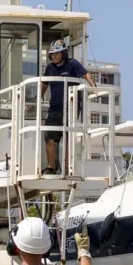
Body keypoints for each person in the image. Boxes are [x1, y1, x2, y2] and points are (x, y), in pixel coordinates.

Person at [41, 40, 95, 175]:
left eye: (56, 53)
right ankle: (51, 167)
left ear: (63, 53)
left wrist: (94, 89)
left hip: (71, 107)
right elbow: (44, 84)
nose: (54, 56)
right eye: (52, 54)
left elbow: (86, 75)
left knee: (67, 137)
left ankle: (67, 167)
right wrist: (39, 96)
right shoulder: (49, 68)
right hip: (54, 109)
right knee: (49, 137)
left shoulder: (73, 64)